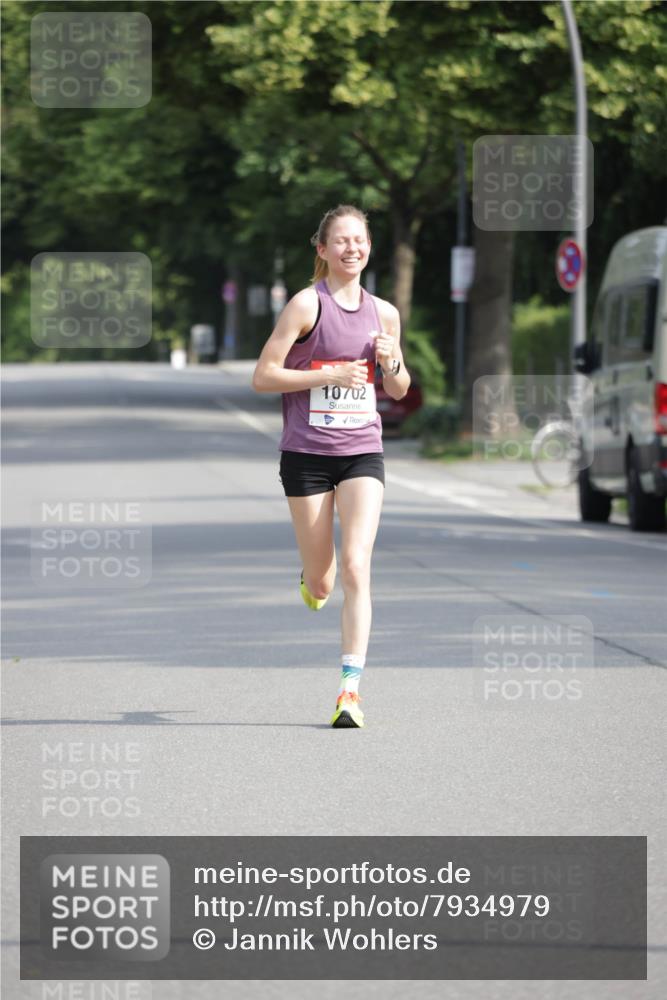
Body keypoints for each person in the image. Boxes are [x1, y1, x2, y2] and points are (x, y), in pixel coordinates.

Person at [252, 204, 411, 728]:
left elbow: (399, 388)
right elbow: (264, 376)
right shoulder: (305, 305)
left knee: (358, 566)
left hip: (363, 451)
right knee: (324, 583)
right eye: (340, 241)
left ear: (369, 248)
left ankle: (350, 691)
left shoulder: (384, 313)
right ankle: (311, 576)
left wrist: (390, 363)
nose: (351, 249)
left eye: (359, 240)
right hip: (306, 456)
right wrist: (326, 376)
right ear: (321, 250)